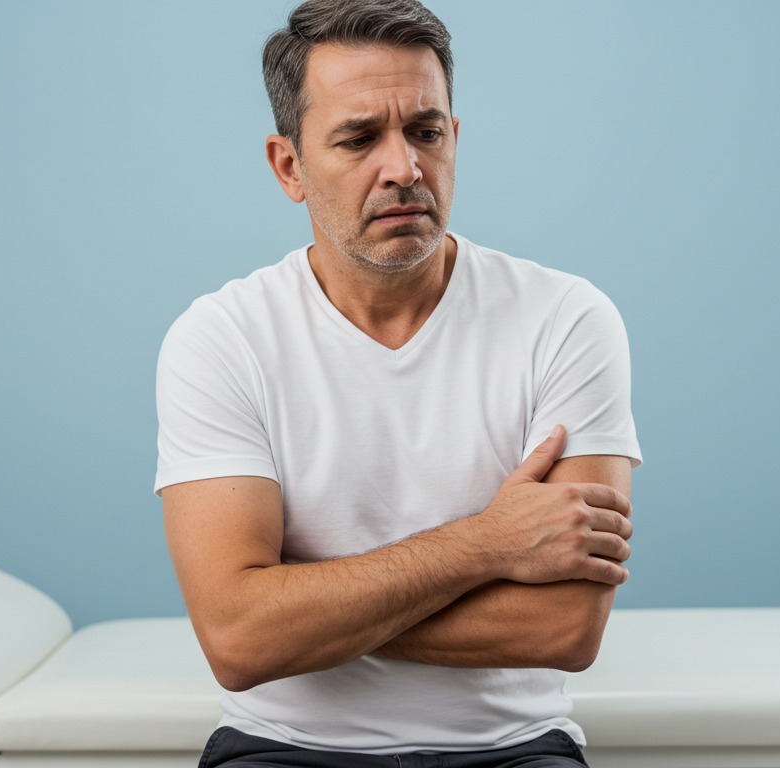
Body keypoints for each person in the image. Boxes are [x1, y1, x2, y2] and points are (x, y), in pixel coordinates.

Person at [154, 1, 642, 765]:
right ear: (289, 167)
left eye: (425, 131)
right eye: (358, 139)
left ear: (455, 138)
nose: (404, 169)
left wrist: (301, 605)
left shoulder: (565, 318)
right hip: (283, 747)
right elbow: (240, 641)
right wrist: (488, 544)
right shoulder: (222, 338)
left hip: (513, 748)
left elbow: (565, 630)